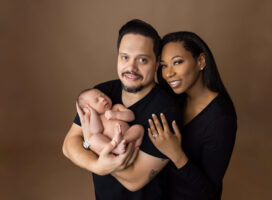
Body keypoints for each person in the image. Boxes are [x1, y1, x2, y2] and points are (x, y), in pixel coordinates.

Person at [62, 19, 182, 200]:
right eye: (125, 57)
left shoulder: (166, 109)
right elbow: (68, 145)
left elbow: (135, 179)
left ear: (156, 64)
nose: (131, 68)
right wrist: (96, 165)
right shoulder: (101, 93)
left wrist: (89, 143)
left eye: (142, 60)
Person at [148, 31, 237, 200]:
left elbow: (208, 192)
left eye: (177, 62)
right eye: (164, 65)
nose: (168, 74)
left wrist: (176, 154)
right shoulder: (171, 100)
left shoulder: (221, 117)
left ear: (201, 61)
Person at [77, 88, 144, 155]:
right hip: (110, 144)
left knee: (139, 128)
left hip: (126, 138)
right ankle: (115, 149)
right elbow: (96, 131)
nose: (103, 99)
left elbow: (131, 116)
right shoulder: (96, 118)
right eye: (97, 100)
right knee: (93, 139)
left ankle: (122, 140)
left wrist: (116, 115)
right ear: (88, 109)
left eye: (103, 95)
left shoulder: (116, 107)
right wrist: (93, 113)